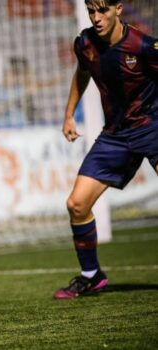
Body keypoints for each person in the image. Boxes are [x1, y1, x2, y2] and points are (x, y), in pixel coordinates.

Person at [53, 0, 158, 299]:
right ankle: (91, 276)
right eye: (91, 11)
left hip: (151, 128)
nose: (96, 18)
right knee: (77, 204)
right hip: (114, 135)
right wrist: (69, 114)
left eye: (103, 11)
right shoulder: (84, 43)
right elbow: (83, 72)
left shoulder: (144, 47)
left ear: (119, 9)